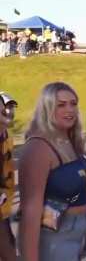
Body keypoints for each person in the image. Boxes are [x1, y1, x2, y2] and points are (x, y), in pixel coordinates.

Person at [18, 82, 86, 261]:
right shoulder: (38, 147)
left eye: (73, 104)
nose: (70, 109)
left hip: (78, 232)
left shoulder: (71, 140)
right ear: (47, 109)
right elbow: (30, 211)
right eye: (61, 105)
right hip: (54, 239)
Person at [0, 92, 17, 261]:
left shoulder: (7, 137)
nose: (9, 111)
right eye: (4, 107)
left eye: (11, 106)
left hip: (5, 208)